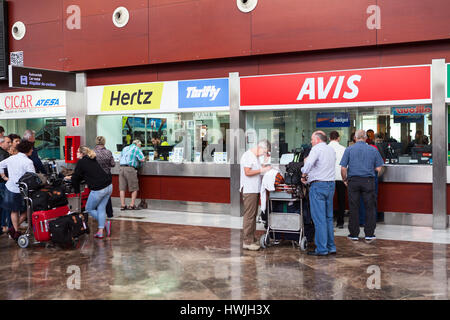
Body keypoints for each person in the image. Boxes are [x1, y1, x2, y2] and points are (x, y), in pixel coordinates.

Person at [340, 129, 384, 244]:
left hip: (353, 181)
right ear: (365, 138)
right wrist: (373, 175)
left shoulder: (349, 149)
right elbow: (379, 168)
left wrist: (345, 179)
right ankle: (369, 234)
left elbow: (343, 168)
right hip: (368, 181)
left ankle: (354, 234)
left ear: (355, 138)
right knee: (370, 207)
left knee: (353, 207)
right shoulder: (373, 149)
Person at [301, 131, 336, 256]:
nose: (311, 141)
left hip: (318, 186)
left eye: (312, 139)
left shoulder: (316, 149)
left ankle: (322, 249)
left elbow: (309, 164)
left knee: (319, 219)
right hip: (331, 185)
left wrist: (304, 174)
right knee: (328, 218)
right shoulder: (330, 149)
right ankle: (331, 247)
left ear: (317, 139)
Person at [67, 146, 113, 239]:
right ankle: (100, 231)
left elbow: (76, 177)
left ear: (82, 153)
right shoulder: (92, 159)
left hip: (99, 189)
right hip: (108, 186)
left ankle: (105, 223)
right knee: (101, 208)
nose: (75, 154)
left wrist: (75, 189)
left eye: (77, 152)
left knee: (89, 208)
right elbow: (89, 173)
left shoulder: (81, 162)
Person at [240, 139, 272, 251]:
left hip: (255, 189)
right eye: (264, 152)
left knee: (253, 215)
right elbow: (247, 172)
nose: (264, 154)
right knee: (249, 215)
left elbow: (258, 170)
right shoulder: (248, 156)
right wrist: (262, 169)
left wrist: (264, 163)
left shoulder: (255, 157)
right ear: (261, 148)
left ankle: (251, 238)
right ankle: (247, 241)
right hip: (249, 189)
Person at [0, 140, 35, 241]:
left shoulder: (11, 158)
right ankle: (14, 228)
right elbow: (32, 176)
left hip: (10, 187)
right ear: (27, 150)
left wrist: (4, 177)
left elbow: (0, 165)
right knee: (28, 210)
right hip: (23, 189)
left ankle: (15, 230)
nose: (32, 150)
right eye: (31, 149)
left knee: (14, 211)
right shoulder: (28, 162)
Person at [119, 140, 145, 210]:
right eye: (140, 145)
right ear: (137, 144)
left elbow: (120, 158)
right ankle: (132, 205)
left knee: (122, 188)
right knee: (134, 187)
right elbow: (142, 159)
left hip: (121, 168)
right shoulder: (136, 148)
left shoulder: (125, 148)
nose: (140, 147)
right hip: (130, 169)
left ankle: (123, 205)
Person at [94, 136, 115, 219]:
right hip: (107, 176)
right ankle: (109, 213)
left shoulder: (92, 152)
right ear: (104, 142)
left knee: (96, 194)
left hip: (96, 175)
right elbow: (113, 164)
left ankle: (96, 212)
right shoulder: (108, 152)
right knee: (107, 194)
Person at [328, 131, 346, 229]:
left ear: (329, 138)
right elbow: (346, 165)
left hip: (328, 177)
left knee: (328, 200)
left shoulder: (326, 148)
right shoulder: (344, 149)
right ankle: (340, 222)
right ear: (338, 138)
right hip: (340, 177)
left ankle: (329, 221)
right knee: (341, 200)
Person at [0, 136, 11, 233]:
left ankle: (3, 226)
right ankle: (6, 226)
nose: (10, 144)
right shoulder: (3, 154)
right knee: (6, 206)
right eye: (8, 142)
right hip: (3, 183)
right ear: (1, 143)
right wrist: (6, 178)